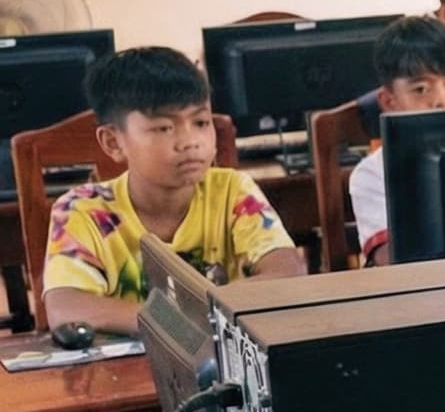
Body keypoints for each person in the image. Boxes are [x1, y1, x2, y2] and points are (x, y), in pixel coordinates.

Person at [43, 47, 305, 333]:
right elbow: (65, 308)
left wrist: (190, 316)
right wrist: (181, 323)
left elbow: (287, 273)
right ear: (113, 143)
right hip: (127, 373)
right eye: (164, 128)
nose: (189, 141)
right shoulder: (82, 209)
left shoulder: (232, 190)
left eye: (201, 123)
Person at [352, 15, 445, 266]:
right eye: (421, 89)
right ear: (389, 101)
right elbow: (391, 260)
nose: (442, 100)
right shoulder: (372, 174)